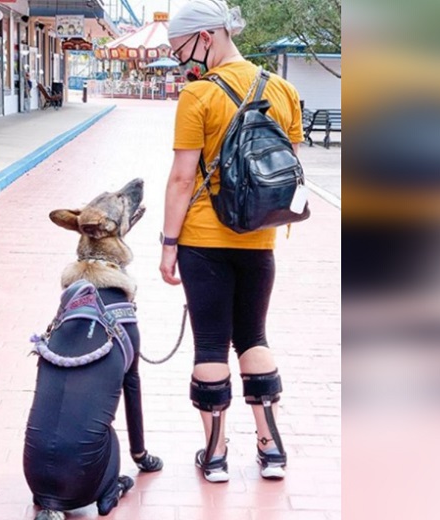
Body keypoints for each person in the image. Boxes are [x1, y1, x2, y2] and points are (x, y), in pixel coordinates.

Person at [159, 0, 304, 483]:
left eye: (182, 51)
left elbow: (182, 179)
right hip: (260, 240)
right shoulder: (282, 90)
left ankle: (216, 454)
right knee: (254, 338)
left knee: (209, 345)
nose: (184, 63)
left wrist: (167, 243)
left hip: (203, 239)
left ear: (207, 37)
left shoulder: (197, 96)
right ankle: (271, 449)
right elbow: (287, 172)